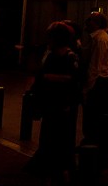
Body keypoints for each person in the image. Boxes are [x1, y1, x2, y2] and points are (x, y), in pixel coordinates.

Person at [24, 21, 81, 184]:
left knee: (59, 136)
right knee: (50, 135)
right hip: (51, 103)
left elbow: (74, 80)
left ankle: (60, 168)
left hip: (61, 103)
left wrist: (48, 77)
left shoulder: (69, 57)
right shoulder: (53, 55)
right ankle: (51, 167)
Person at [80, 11, 108, 167]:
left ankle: (92, 147)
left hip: (98, 82)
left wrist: (88, 87)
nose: (87, 23)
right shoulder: (100, 38)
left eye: (91, 21)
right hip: (101, 80)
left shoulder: (99, 40)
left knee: (92, 115)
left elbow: (96, 66)